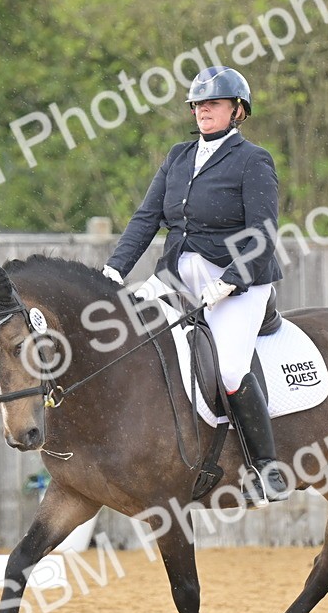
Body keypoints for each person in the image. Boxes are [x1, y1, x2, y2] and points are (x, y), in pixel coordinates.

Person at [102, 66, 289, 507]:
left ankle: (267, 468)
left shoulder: (253, 160)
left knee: (227, 370)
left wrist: (228, 282)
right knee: (122, 337)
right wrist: (113, 271)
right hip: (176, 276)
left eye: (214, 104)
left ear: (237, 111)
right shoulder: (178, 156)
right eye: (198, 104)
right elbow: (147, 219)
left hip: (238, 281)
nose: (204, 110)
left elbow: (263, 233)